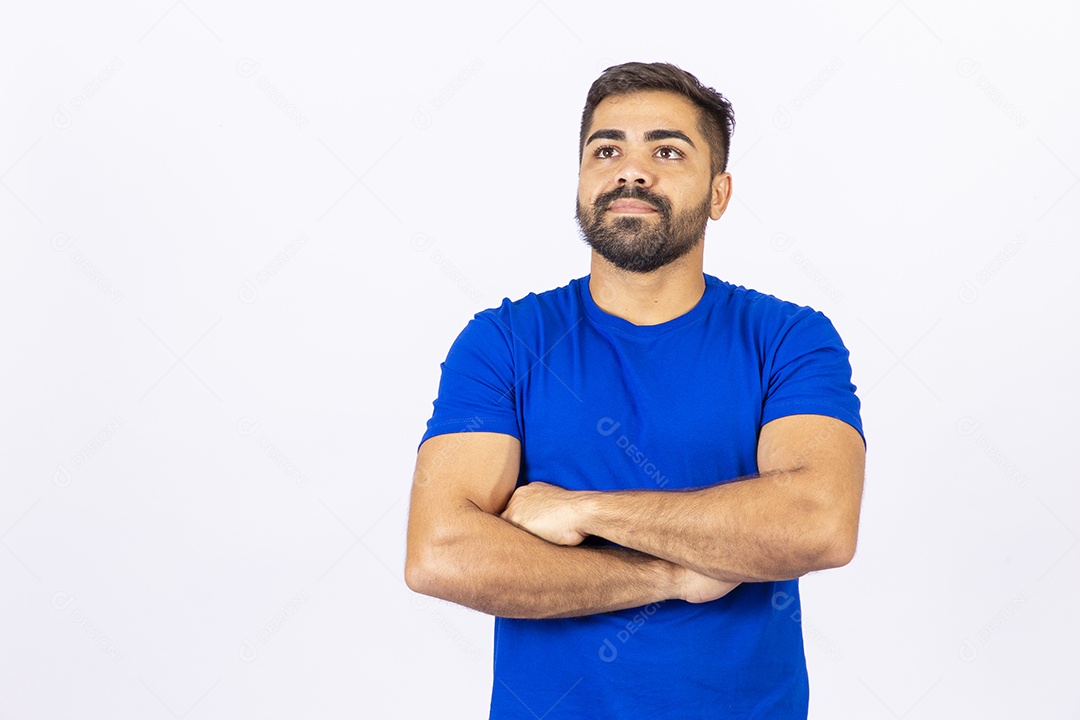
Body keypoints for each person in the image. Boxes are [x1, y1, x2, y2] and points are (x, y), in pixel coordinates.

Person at [405, 61, 866, 719]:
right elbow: (441, 554)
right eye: (607, 149)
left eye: (667, 150)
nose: (632, 169)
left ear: (719, 192)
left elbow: (816, 524)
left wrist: (585, 512)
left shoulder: (787, 338)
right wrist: (671, 576)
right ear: (582, 179)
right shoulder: (505, 341)